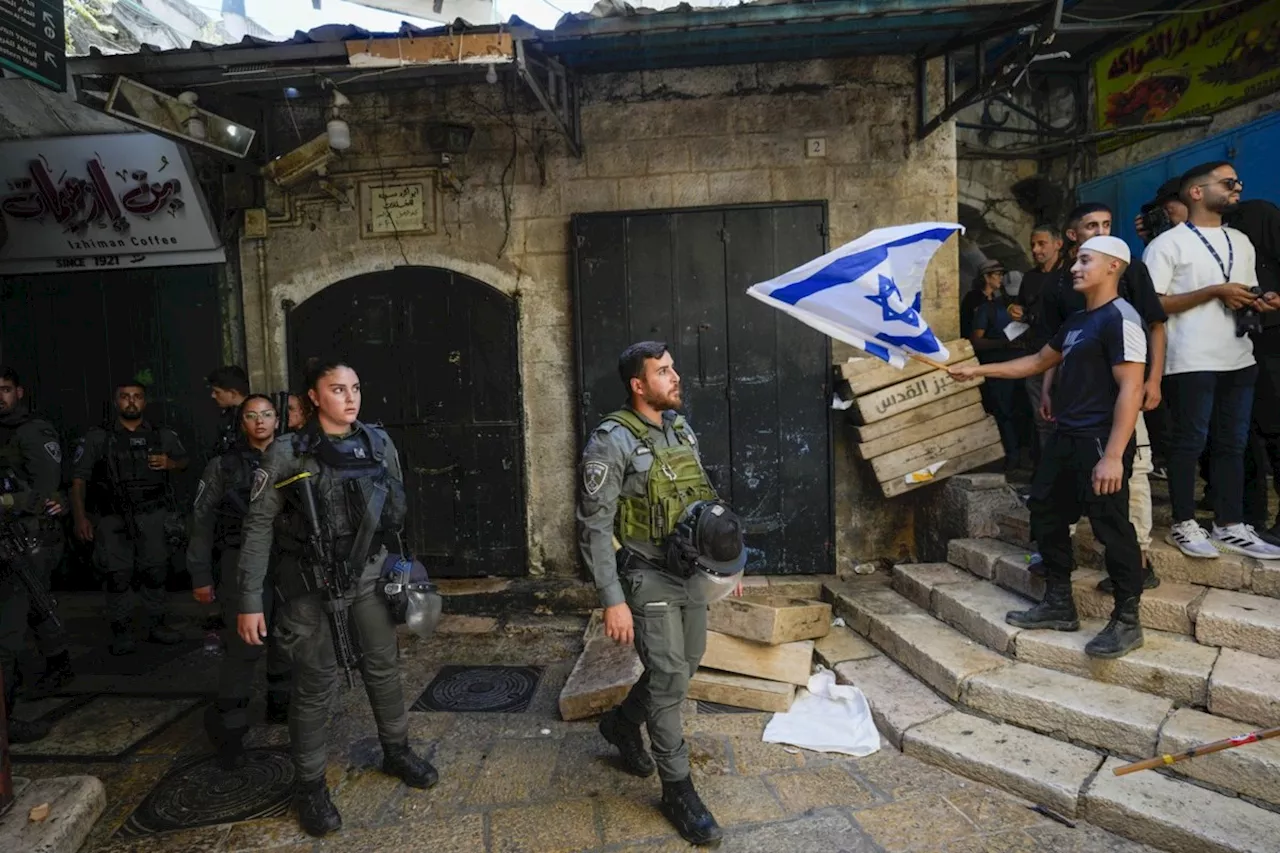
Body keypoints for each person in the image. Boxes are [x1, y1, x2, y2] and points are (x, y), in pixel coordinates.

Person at [236, 359, 435, 838]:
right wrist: (249, 599)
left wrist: (399, 570)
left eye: (356, 388)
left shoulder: (377, 441)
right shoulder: (286, 453)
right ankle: (309, 786)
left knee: (383, 664)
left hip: (368, 574)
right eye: (338, 389)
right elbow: (258, 526)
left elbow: (398, 507)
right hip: (310, 584)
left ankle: (397, 749)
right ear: (314, 397)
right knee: (315, 682)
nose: (351, 398)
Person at [577, 341, 747, 847]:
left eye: (673, 368)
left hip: (688, 571)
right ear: (638, 384)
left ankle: (623, 725)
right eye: (664, 371)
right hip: (644, 574)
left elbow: (702, 498)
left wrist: (726, 563)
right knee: (670, 673)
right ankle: (678, 790)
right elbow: (593, 527)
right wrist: (611, 598)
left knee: (686, 661)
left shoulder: (679, 428)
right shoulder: (611, 441)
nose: (676, 377)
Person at [951, 236, 1148, 658]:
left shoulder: (1122, 318)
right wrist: (976, 370)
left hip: (1098, 439)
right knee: (1044, 509)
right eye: (1077, 260)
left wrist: (1113, 455)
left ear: (1114, 266)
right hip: (1065, 436)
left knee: (1111, 527)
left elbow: (1131, 388)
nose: (1076, 267)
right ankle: (1060, 603)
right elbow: (1038, 362)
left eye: (1085, 260)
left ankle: (1127, 620)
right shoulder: (1077, 322)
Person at [1144, 161, 1280, 560]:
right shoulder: (1167, 245)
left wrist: (1261, 301)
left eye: (1237, 180)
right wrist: (1213, 291)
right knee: (1190, 444)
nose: (1237, 187)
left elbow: (1244, 290)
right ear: (1197, 192)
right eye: (1228, 182)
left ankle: (1230, 523)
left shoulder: (1241, 240)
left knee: (1233, 444)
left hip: (1239, 356)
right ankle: (1185, 523)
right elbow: (1153, 305)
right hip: (1189, 359)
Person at [1043, 203, 1168, 589]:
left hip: (1120, 401)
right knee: (1058, 494)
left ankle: (1138, 561)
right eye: (1091, 225)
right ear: (1072, 234)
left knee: (1131, 475)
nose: (1100, 230)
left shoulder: (1128, 272)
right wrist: (1049, 388)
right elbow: (1051, 349)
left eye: (1106, 224)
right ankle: (1058, 572)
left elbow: (1155, 325)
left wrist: (1153, 379)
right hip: (1077, 407)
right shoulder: (1066, 283)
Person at [189, 394, 291, 769]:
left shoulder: (292, 457)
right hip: (239, 562)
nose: (260, 422)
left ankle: (282, 705)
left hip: (287, 560)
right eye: (252, 416)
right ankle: (230, 729)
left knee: (286, 634)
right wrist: (200, 574)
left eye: (267, 415)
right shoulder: (224, 466)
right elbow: (201, 521)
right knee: (243, 645)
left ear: (277, 420)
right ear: (242, 422)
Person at [71, 380, 189, 655]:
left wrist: (170, 464)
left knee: (156, 571)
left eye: (137, 397)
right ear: (116, 402)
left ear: (145, 402)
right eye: (125, 397)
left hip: (152, 513)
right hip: (112, 517)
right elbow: (79, 480)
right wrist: (80, 518)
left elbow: (185, 462)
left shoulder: (162, 435)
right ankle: (121, 631)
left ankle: (156, 625)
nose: (131, 402)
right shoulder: (97, 438)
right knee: (117, 575)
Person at [0, 367, 73, 697]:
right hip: (9, 530)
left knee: (34, 602)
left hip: (29, 533)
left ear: (19, 392)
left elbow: (46, 494)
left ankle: (58, 663)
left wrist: (10, 501)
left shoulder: (32, 431)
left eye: (4, 389)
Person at [1010, 226, 1066, 456]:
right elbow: (1023, 310)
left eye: (1042, 244)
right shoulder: (1030, 278)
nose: (1035, 249)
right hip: (1036, 355)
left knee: (1066, 417)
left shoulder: (1070, 275)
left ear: (1058, 244)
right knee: (1041, 419)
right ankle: (1047, 476)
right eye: (1033, 245)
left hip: (1064, 357)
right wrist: (1015, 311)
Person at [969, 266, 1028, 472]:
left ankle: (1026, 456)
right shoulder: (988, 309)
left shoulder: (1029, 311)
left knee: (1025, 413)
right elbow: (976, 341)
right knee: (1004, 414)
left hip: (1027, 368)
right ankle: (1011, 457)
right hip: (998, 369)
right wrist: (1002, 344)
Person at [208, 366, 250, 456]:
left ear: (233, 393)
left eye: (217, 392)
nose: (213, 396)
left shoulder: (251, 417)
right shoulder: (228, 414)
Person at [960, 261, 1002, 340]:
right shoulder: (973, 298)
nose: (1001, 277)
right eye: (997, 274)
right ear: (986, 277)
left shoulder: (994, 298)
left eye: (1001, 274)